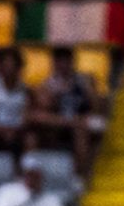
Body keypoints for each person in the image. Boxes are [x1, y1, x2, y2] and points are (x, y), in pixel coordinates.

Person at [31, 46, 105, 176]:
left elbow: (97, 108)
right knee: (38, 120)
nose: (63, 65)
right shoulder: (47, 84)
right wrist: (52, 96)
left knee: (84, 130)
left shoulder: (84, 80)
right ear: (54, 64)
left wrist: (89, 89)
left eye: (66, 61)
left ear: (72, 62)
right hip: (60, 123)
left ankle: (81, 175)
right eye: (59, 62)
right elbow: (41, 111)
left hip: (82, 120)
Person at [0, 48, 32, 154]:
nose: (9, 69)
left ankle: (28, 163)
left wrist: (14, 130)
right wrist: (1, 129)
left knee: (30, 139)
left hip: (17, 129)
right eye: (6, 65)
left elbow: (26, 116)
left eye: (12, 65)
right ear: (0, 66)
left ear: (18, 67)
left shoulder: (26, 89)